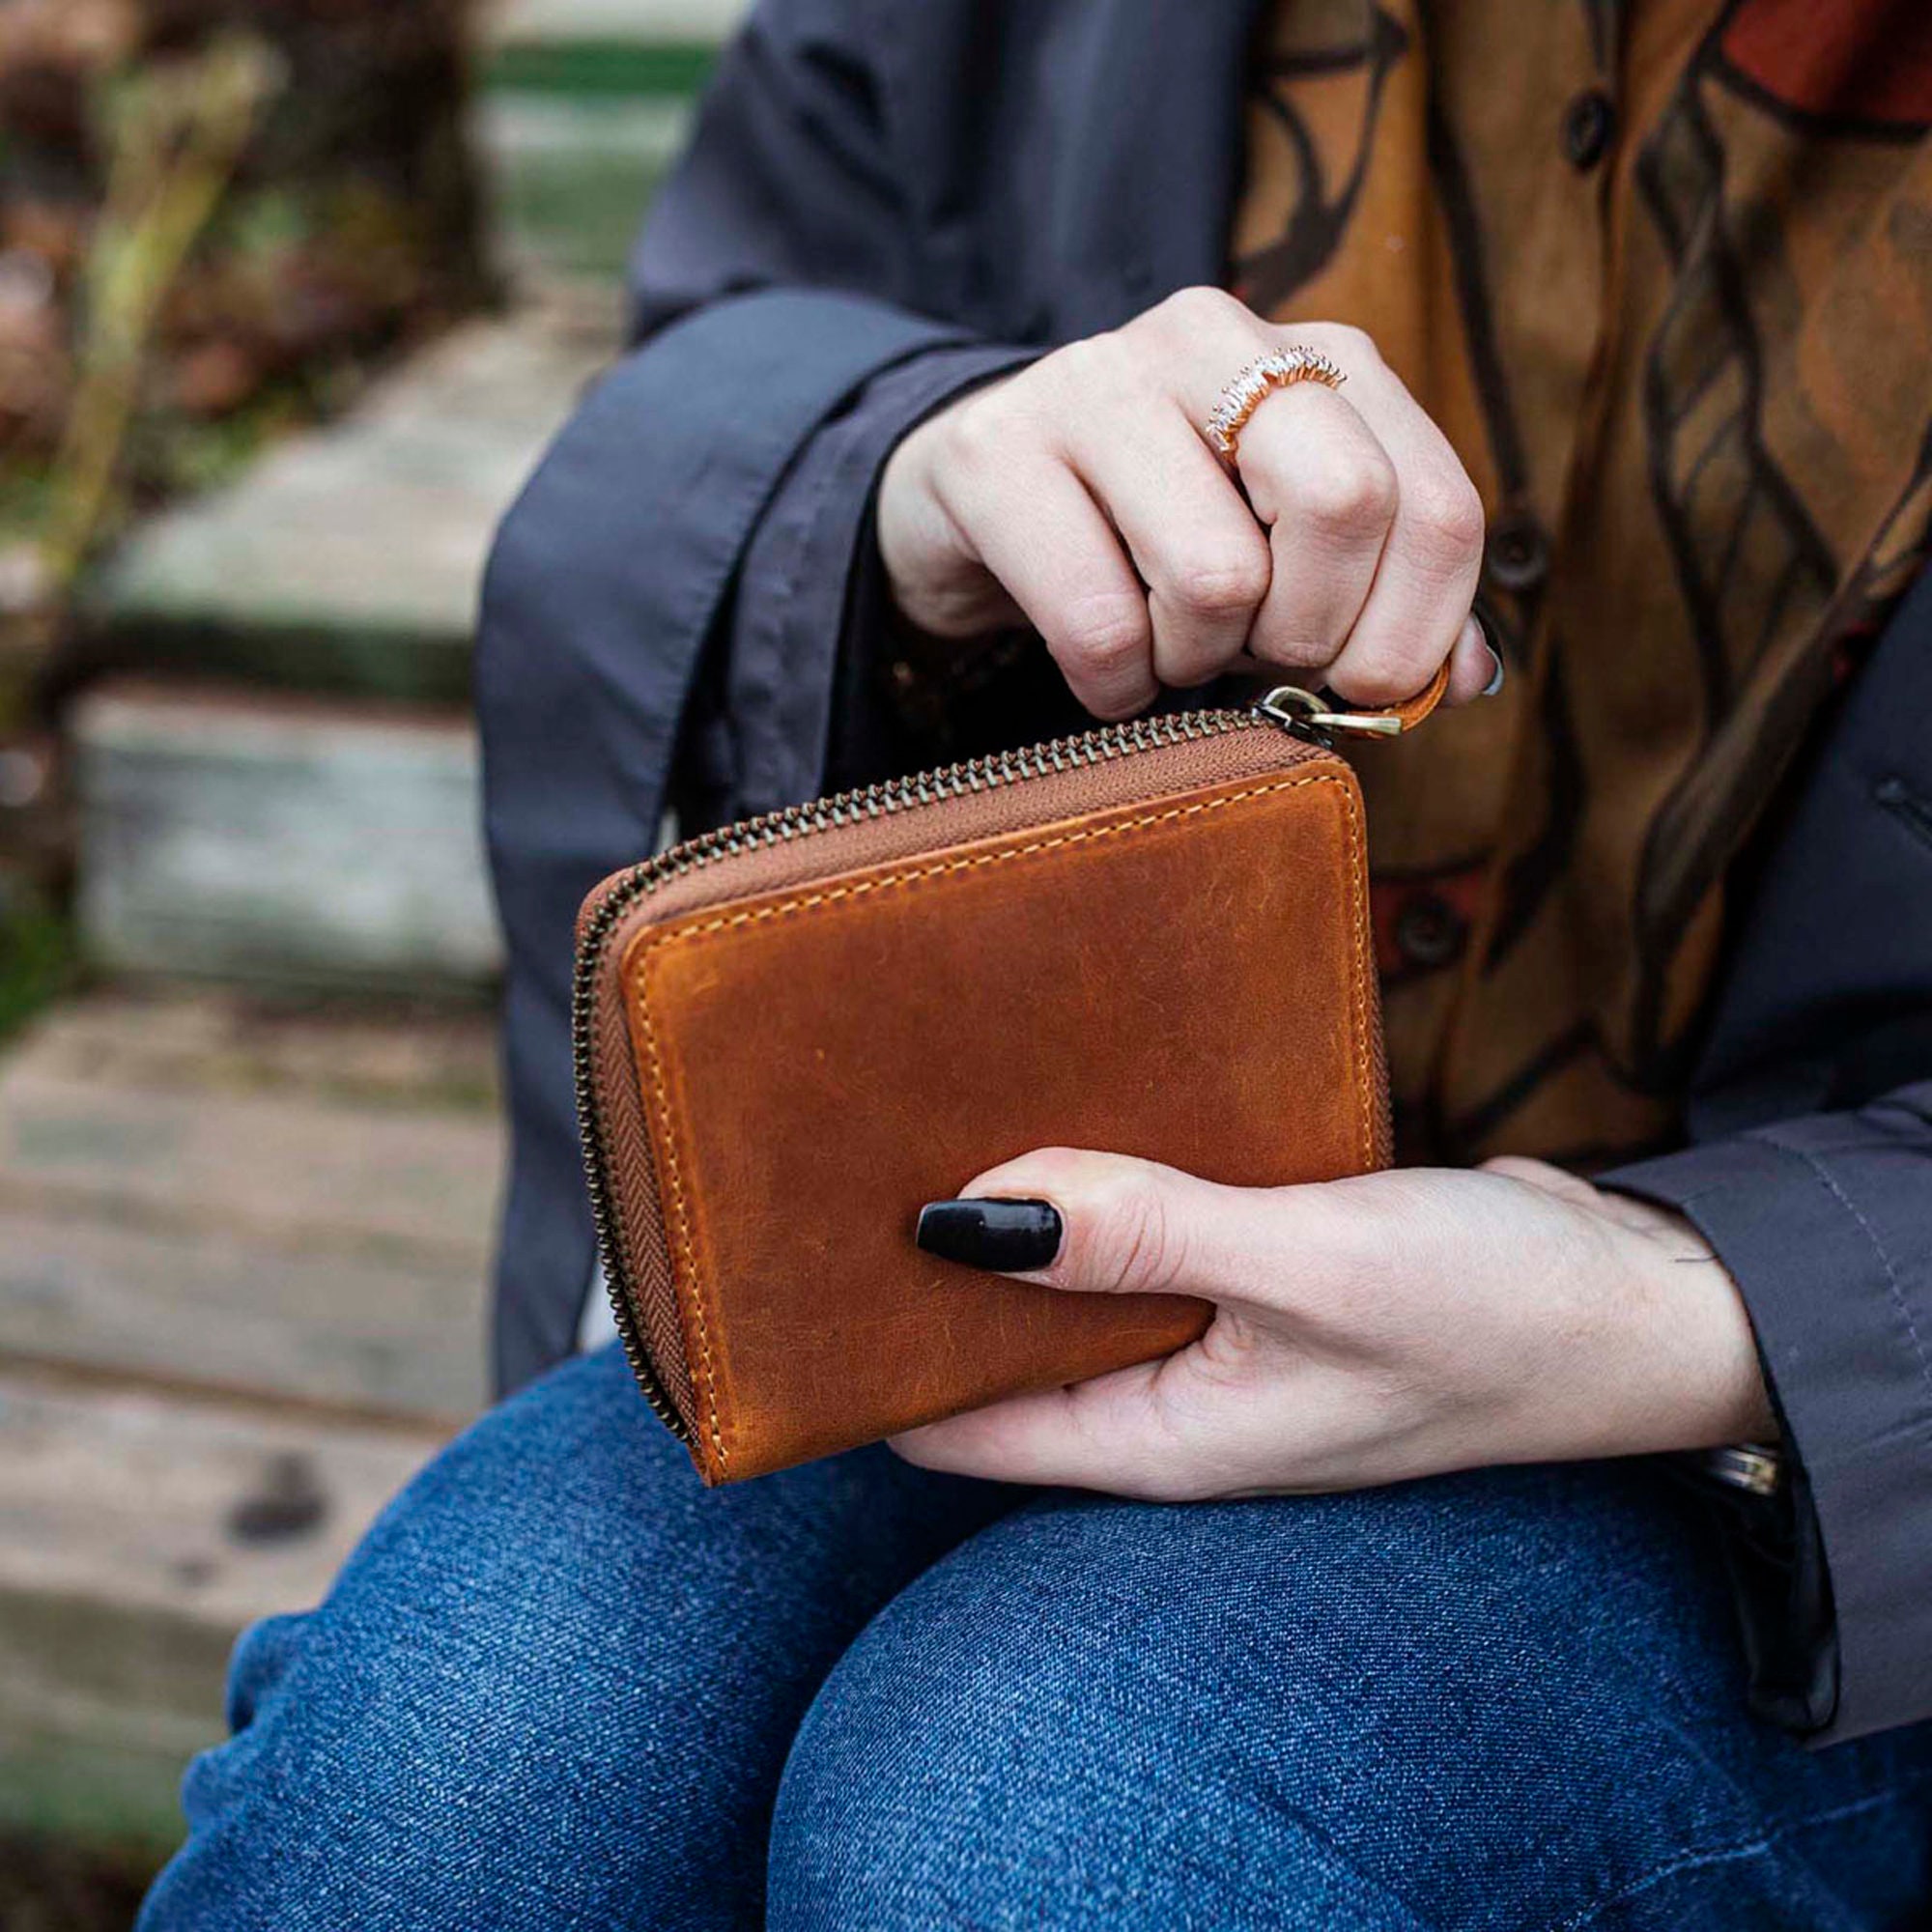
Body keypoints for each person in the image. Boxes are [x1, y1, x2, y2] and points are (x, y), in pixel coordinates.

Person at [139, 3, 1932, 1925]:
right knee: (450, 1767)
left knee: (1055, 1797)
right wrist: (899, 472)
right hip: (1030, 1242)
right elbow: (750, 313)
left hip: (1796, 1444)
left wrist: (1693, 1308)